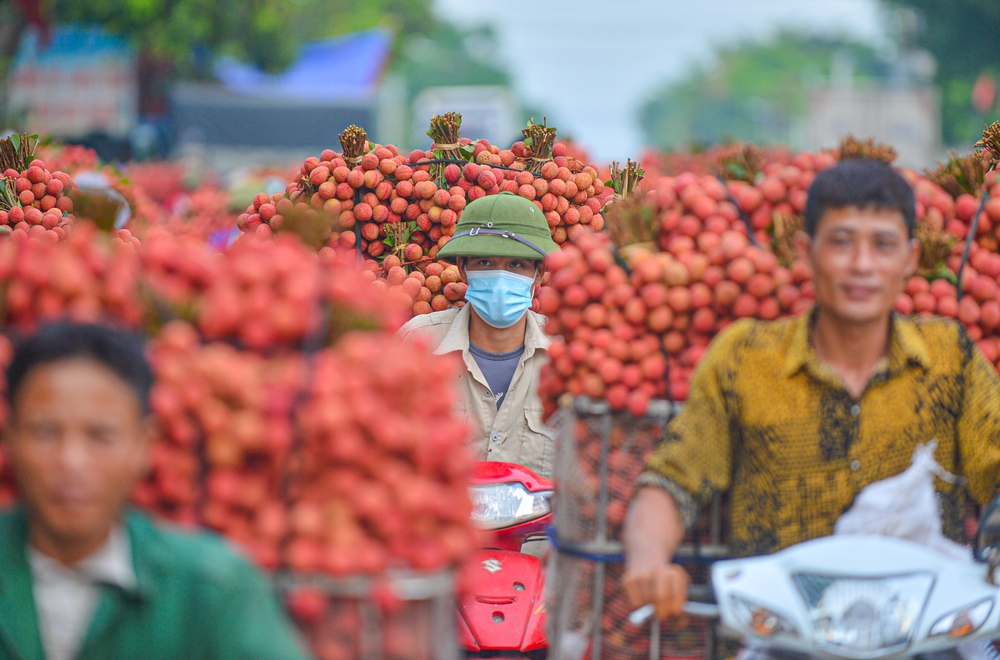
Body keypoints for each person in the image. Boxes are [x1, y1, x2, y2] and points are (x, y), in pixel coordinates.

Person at [622, 157, 1000, 619]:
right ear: (805, 251)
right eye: (841, 242)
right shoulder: (744, 358)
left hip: (924, 630)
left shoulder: (950, 357)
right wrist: (648, 561)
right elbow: (672, 482)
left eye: (883, 245)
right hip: (774, 632)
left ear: (911, 260)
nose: (862, 265)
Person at [0, 321, 310, 660]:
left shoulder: (213, 589)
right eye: (45, 432)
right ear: (10, 437)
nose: (71, 461)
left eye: (101, 435)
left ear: (143, 445)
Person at [399, 192, 561, 478]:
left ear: (539, 274)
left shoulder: (565, 355)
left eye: (516, 265)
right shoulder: (417, 344)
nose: (500, 278)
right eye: (485, 263)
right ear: (463, 269)